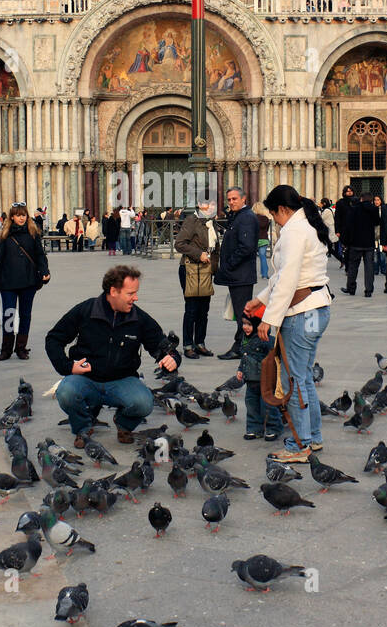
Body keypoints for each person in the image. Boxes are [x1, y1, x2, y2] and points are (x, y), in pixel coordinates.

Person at [46, 265, 180, 447]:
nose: (136, 298)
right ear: (113, 291)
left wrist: (172, 358)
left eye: (136, 293)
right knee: (66, 392)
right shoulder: (86, 311)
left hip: (122, 380)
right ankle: (83, 428)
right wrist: (67, 366)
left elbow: (164, 348)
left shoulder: (139, 319)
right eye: (131, 293)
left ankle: (123, 424)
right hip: (87, 378)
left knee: (144, 402)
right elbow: (54, 339)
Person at [245, 186, 332, 463]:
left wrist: (268, 319)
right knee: (304, 377)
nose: (274, 221)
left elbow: (288, 278)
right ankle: (313, 437)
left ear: (282, 210)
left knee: (293, 381)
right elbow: (286, 276)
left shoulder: (294, 231)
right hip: (317, 308)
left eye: (274, 215)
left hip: (301, 312)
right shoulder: (306, 226)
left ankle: (299, 445)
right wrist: (260, 300)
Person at [0, 202, 50, 360]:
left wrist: (45, 272)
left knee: (25, 315)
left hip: (28, 281)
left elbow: (40, 255)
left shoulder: (33, 233)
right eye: (18, 215)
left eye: (23, 215)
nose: (21, 218)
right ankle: (6, 349)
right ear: (12, 217)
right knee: (8, 315)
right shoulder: (5, 234)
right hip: (8, 282)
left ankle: (21, 348)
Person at [215, 187, 259, 359]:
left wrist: (229, 264)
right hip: (238, 274)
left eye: (234, 199)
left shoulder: (246, 218)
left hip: (241, 274)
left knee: (243, 313)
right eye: (229, 199)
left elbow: (246, 247)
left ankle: (241, 346)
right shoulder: (238, 217)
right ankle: (243, 345)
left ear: (243, 199)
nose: (231, 202)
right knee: (241, 311)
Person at [174, 198, 219, 358]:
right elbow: (179, 243)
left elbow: (213, 249)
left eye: (214, 204)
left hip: (206, 271)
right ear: (200, 205)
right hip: (190, 270)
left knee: (203, 309)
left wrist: (215, 268)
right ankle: (187, 345)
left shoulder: (210, 222)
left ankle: (200, 343)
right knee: (192, 308)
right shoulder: (192, 220)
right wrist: (198, 254)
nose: (212, 207)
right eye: (209, 204)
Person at [235, 313, 283, 442]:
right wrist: (240, 370)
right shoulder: (245, 340)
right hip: (250, 381)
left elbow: (276, 354)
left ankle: (274, 428)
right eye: (244, 324)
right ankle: (254, 429)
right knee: (251, 406)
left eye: (249, 324)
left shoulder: (266, 339)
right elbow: (244, 358)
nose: (246, 327)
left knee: (268, 406)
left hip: (265, 381)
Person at [341, 192, 380, 296]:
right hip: (369, 243)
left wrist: (345, 241)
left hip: (355, 242)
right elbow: (377, 222)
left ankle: (351, 288)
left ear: (361, 199)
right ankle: (368, 290)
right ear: (371, 200)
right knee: (369, 267)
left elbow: (347, 226)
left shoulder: (354, 209)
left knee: (353, 266)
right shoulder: (374, 209)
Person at [253, 200, 273, 279]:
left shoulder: (253, 218)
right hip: (264, 239)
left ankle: (252, 275)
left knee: (252, 259)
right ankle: (264, 274)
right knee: (263, 257)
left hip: (254, 240)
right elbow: (267, 229)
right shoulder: (266, 218)